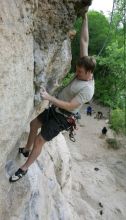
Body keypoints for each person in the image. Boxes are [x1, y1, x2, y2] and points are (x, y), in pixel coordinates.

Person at [9, 6, 96, 182]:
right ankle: (26, 150)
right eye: (77, 70)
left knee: (40, 140)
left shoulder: (88, 90)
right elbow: (84, 41)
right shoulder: (86, 64)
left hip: (63, 117)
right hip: (56, 109)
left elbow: (71, 106)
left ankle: (24, 169)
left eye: (79, 72)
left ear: (88, 73)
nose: (76, 73)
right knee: (34, 124)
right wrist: (85, 17)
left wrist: (49, 98)